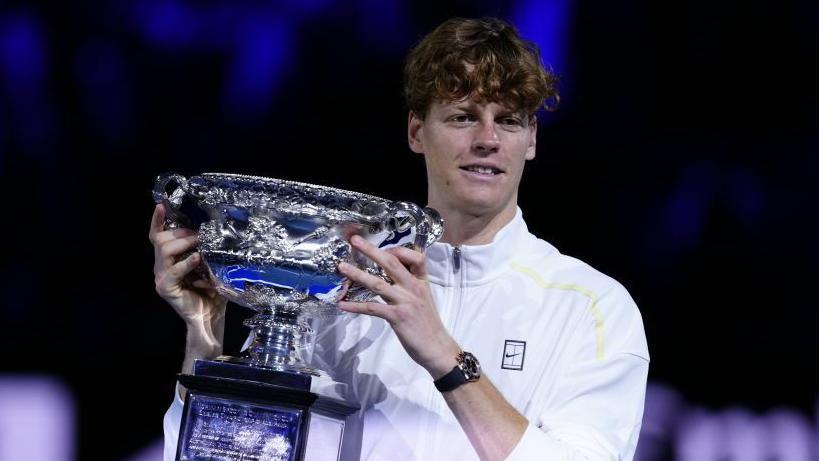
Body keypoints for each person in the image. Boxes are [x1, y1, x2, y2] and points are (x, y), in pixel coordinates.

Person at [151, 17, 649, 460]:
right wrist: (205, 340)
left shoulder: (593, 308)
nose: (488, 139)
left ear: (532, 139)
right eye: (462, 116)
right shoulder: (343, 287)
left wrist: (445, 358)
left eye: (509, 120)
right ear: (416, 131)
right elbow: (227, 454)